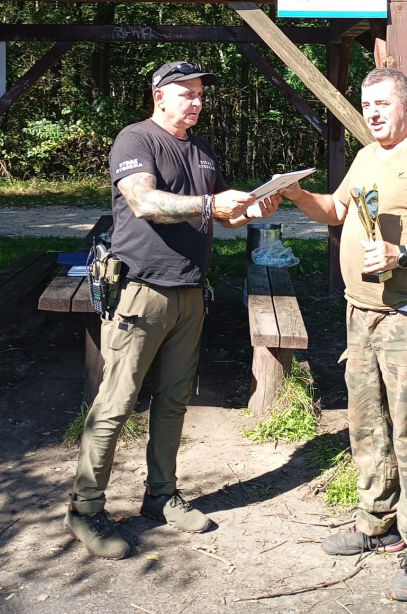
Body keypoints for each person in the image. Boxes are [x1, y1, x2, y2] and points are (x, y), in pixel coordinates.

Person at [64, 60, 279, 559]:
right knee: (116, 404)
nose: (197, 102)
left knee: (174, 400)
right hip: (141, 291)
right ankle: (85, 508)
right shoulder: (135, 139)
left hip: (190, 291)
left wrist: (254, 208)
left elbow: (222, 214)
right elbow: (144, 202)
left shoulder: (202, 151)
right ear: (159, 95)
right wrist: (208, 205)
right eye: (187, 93)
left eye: (200, 94)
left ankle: (160, 496)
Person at [279, 67, 407, 602]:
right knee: (366, 425)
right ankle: (378, 520)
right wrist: (295, 194)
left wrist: (403, 254)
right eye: (367, 105)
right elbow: (334, 210)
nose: (372, 113)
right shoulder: (367, 157)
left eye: (383, 104)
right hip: (361, 315)